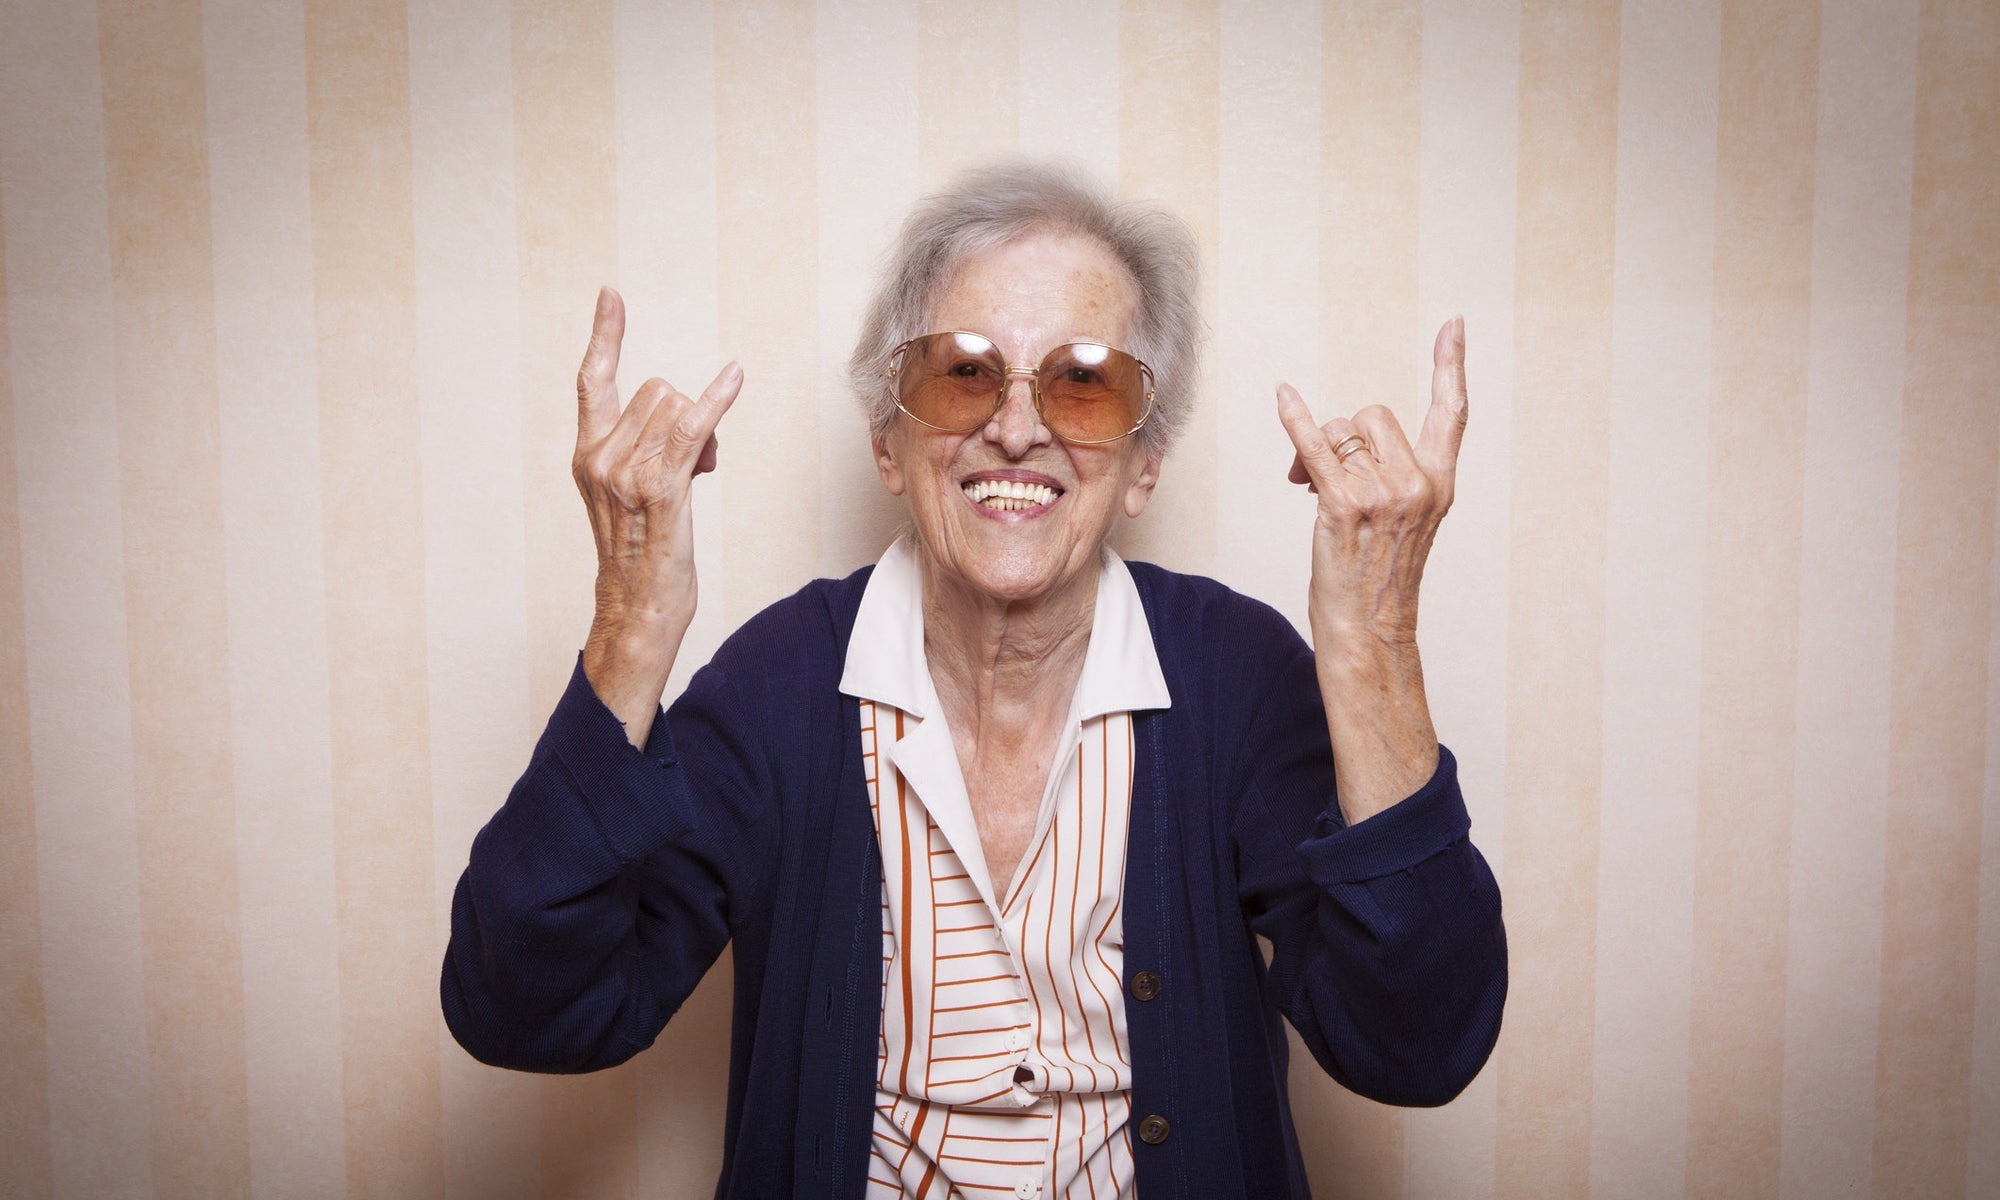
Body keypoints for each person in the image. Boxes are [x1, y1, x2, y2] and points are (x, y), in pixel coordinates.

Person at [442, 161, 1505, 1198]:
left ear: (1143, 463)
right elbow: (525, 1009)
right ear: (887, 444)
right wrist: (632, 630)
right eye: (963, 371)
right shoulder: (782, 683)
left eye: (1085, 382)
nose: (1016, 425)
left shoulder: (1234, 675)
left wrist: (1371, 644)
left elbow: (1415, 1046)